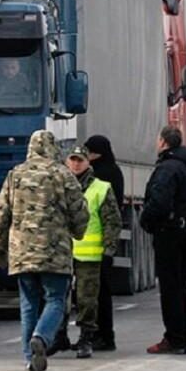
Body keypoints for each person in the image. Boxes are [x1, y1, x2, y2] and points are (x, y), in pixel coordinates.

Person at [0, 130, 89, 371]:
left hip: (22, 253)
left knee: (28, 304)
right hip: (56, 253)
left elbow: (0, 217)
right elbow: (80, 213)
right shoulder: (64, 176)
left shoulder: (15, 175)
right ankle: (42, 338)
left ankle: (29, 358)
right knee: (55, 299)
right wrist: (77, 232)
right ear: (54, 149)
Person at [141, 126, 186, 355]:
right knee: (181, 284)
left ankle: (174, 338)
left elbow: (160, 202)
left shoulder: (167, 168)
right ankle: (185, 335)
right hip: (185, 229)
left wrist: (146, 219)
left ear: (164, 142)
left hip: (169, 232)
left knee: (170, 287)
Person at [63, 146, 122, 359]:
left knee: (87, 299)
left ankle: (87, 337)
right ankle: (60, 336)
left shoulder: (101, 188)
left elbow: (112, 221)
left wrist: (109, 249)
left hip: (90, 255)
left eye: (80, 160)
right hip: (62, 254)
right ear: (67, 162)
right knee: (60, 298)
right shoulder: (59, 186)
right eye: (73, 159)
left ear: (88, 163)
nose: (76, 164)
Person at [86, 135, 123, 351]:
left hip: (96, 242)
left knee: (97, 293)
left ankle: (102, 335)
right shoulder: (114, 171)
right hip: (104, 241)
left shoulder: (99, 175)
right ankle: (104, 334)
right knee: (101, 292)